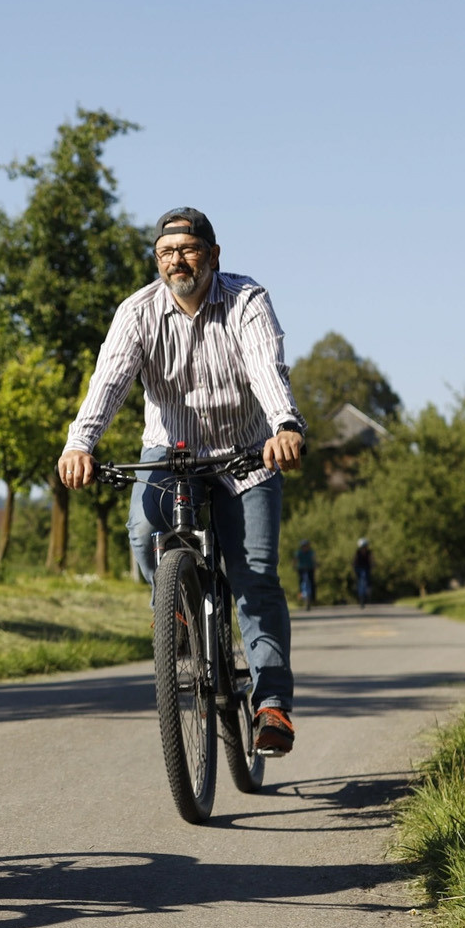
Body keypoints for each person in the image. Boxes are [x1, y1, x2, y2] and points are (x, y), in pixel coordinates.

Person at [57, 208, 308, 756]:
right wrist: (81, 443)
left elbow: (268, 368)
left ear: (213, 255)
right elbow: (110, 381)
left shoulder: (246, 301)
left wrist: (285, 426)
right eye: (166, 253)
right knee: (145, 532)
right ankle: (182, 614)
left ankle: (271, 707)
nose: (177, 261)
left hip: (247, 455)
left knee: (256, 576)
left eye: (189, 250)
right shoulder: (138, 312)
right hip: (171, 457)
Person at [295, 540, 317, 610]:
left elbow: (314, 559)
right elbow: (295, 560)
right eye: (303, 546)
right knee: (301, 582)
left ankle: (313, 597)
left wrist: (316, 565)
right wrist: (294, 566)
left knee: (312, 582)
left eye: (306, 546)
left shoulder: (311, 552)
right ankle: (301, 593)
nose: (305, 548)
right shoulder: (299, 553)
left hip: (310, 569)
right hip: (301, 569)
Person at [352, 539, 373, 607]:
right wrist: (354, 566)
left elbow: (371, 560)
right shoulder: (357, 552)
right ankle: (361, 597)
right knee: (360, 581)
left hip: (366, 568)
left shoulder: (369, 552)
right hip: (359, 569)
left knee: (367, 581)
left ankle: (366, 594)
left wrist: (373, 564)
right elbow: (355, 561)